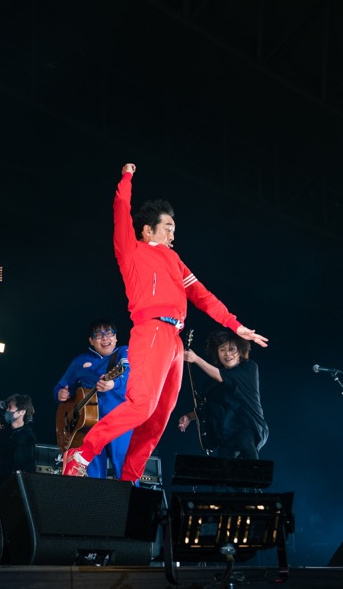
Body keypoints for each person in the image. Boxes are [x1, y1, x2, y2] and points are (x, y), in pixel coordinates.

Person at [63, 163, 268, 480]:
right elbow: (121, 209)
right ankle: (82, 453)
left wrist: (236, 326)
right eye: (168, 227)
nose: (173, 234)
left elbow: (202, 296)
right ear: (148, 230)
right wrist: (127, 178)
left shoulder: (175, 261)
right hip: (152, 330)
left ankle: (129, 479)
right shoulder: (132, 250)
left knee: (159, 417)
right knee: (141, 405)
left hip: (174, 340)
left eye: (174, 228)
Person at [54, 318, 132, 479]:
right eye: (99, 335)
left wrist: (114, 383)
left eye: (109, 333)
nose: (105, 338)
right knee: (93, 472)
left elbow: (129, 374)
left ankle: (131, 497)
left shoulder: (124, 352)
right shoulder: (80, 361)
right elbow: (62, 385)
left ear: (116, 337)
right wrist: (60, 393)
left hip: (120, 420)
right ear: (91, 340)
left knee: (124, 467)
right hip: (89, 424)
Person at [177, 329, 268, 459]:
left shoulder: (249, 368)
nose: (227, 354)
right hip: (228, 432)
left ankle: (256, 471)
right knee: (223, 460)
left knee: (244, 441)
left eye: (232, 349)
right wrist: (189, 416)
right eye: (222, 350)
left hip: (250, 426)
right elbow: (209, 407)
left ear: (240, 351)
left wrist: (196, 359)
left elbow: (220, 376)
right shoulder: (212, 382)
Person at [0, 393, 38, 487]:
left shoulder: (27, 436)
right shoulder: (7, 432)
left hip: (15, 486)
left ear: (22, 412)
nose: (7, 410)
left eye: (10, 407)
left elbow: (9, 454)